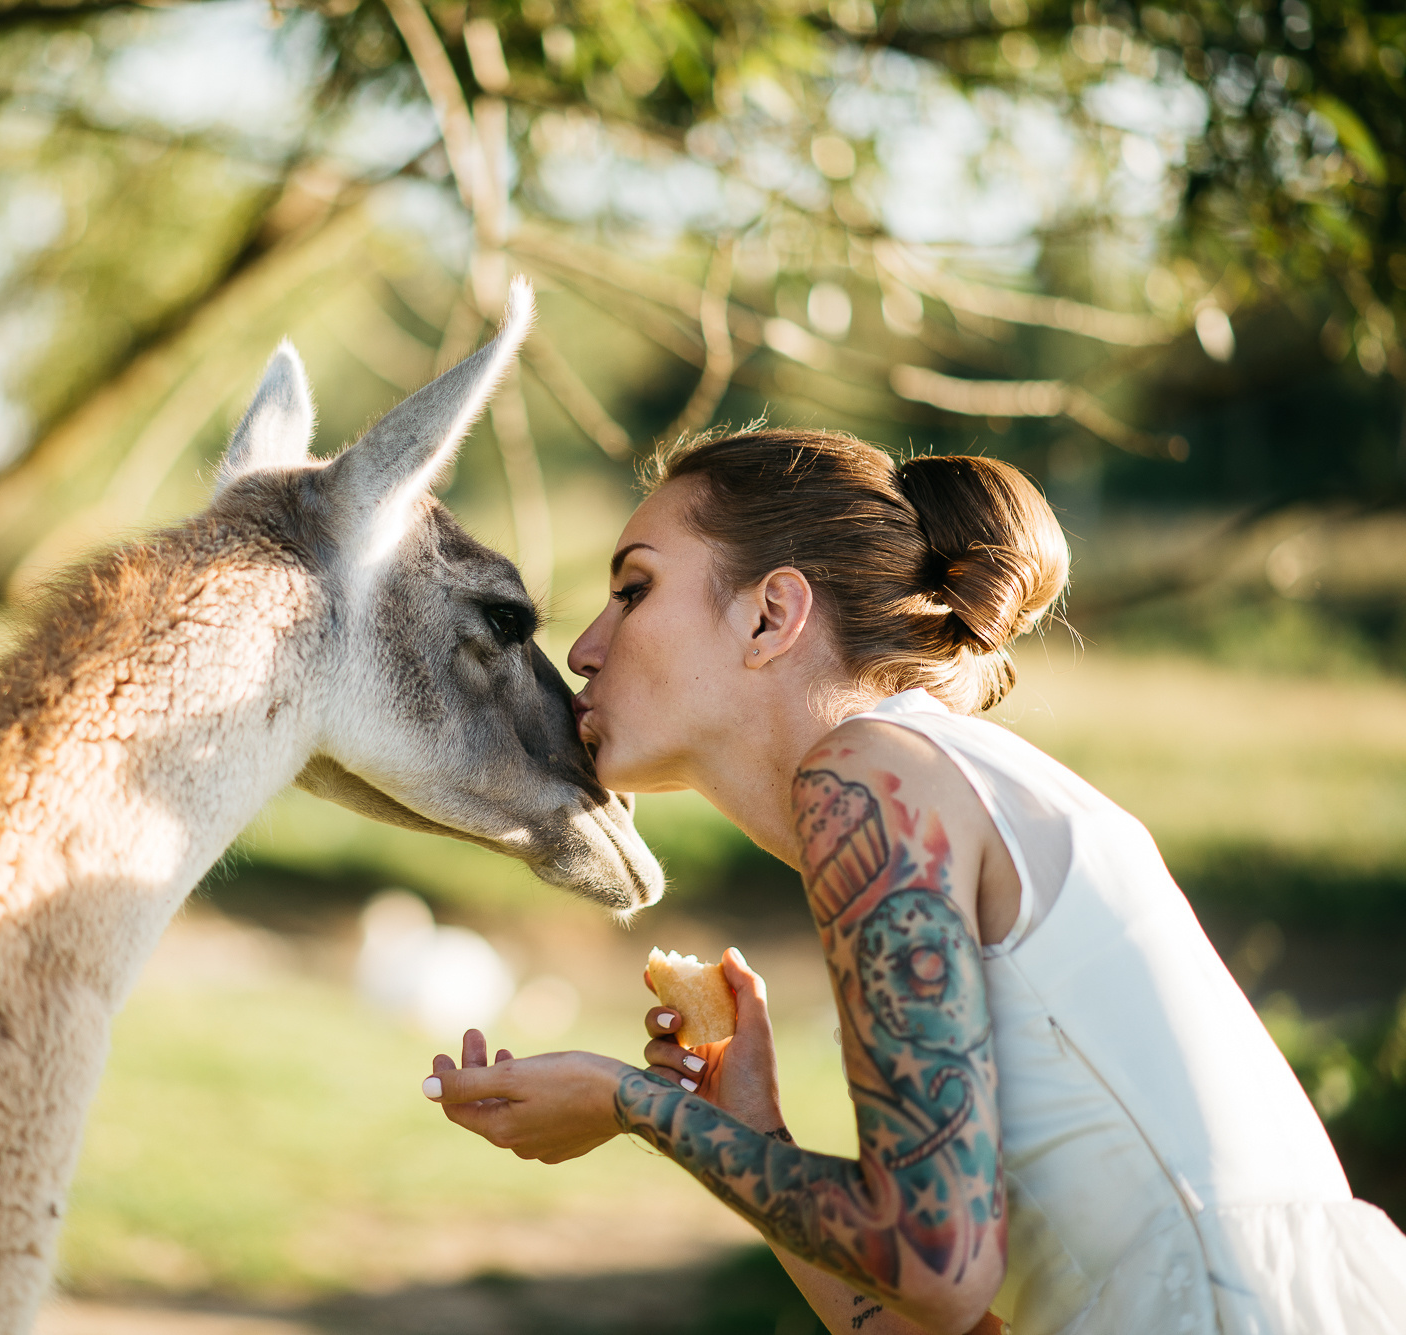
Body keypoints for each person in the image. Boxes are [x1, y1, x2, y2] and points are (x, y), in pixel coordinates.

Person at [419, 429, 1406, 1335]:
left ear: (771, 613)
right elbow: (937, 1314)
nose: (583, 650)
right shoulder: (928, 781)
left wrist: (627, 1103)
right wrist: (743, 1135)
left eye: (632, 589)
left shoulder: (873, 777)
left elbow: (935, 1263)